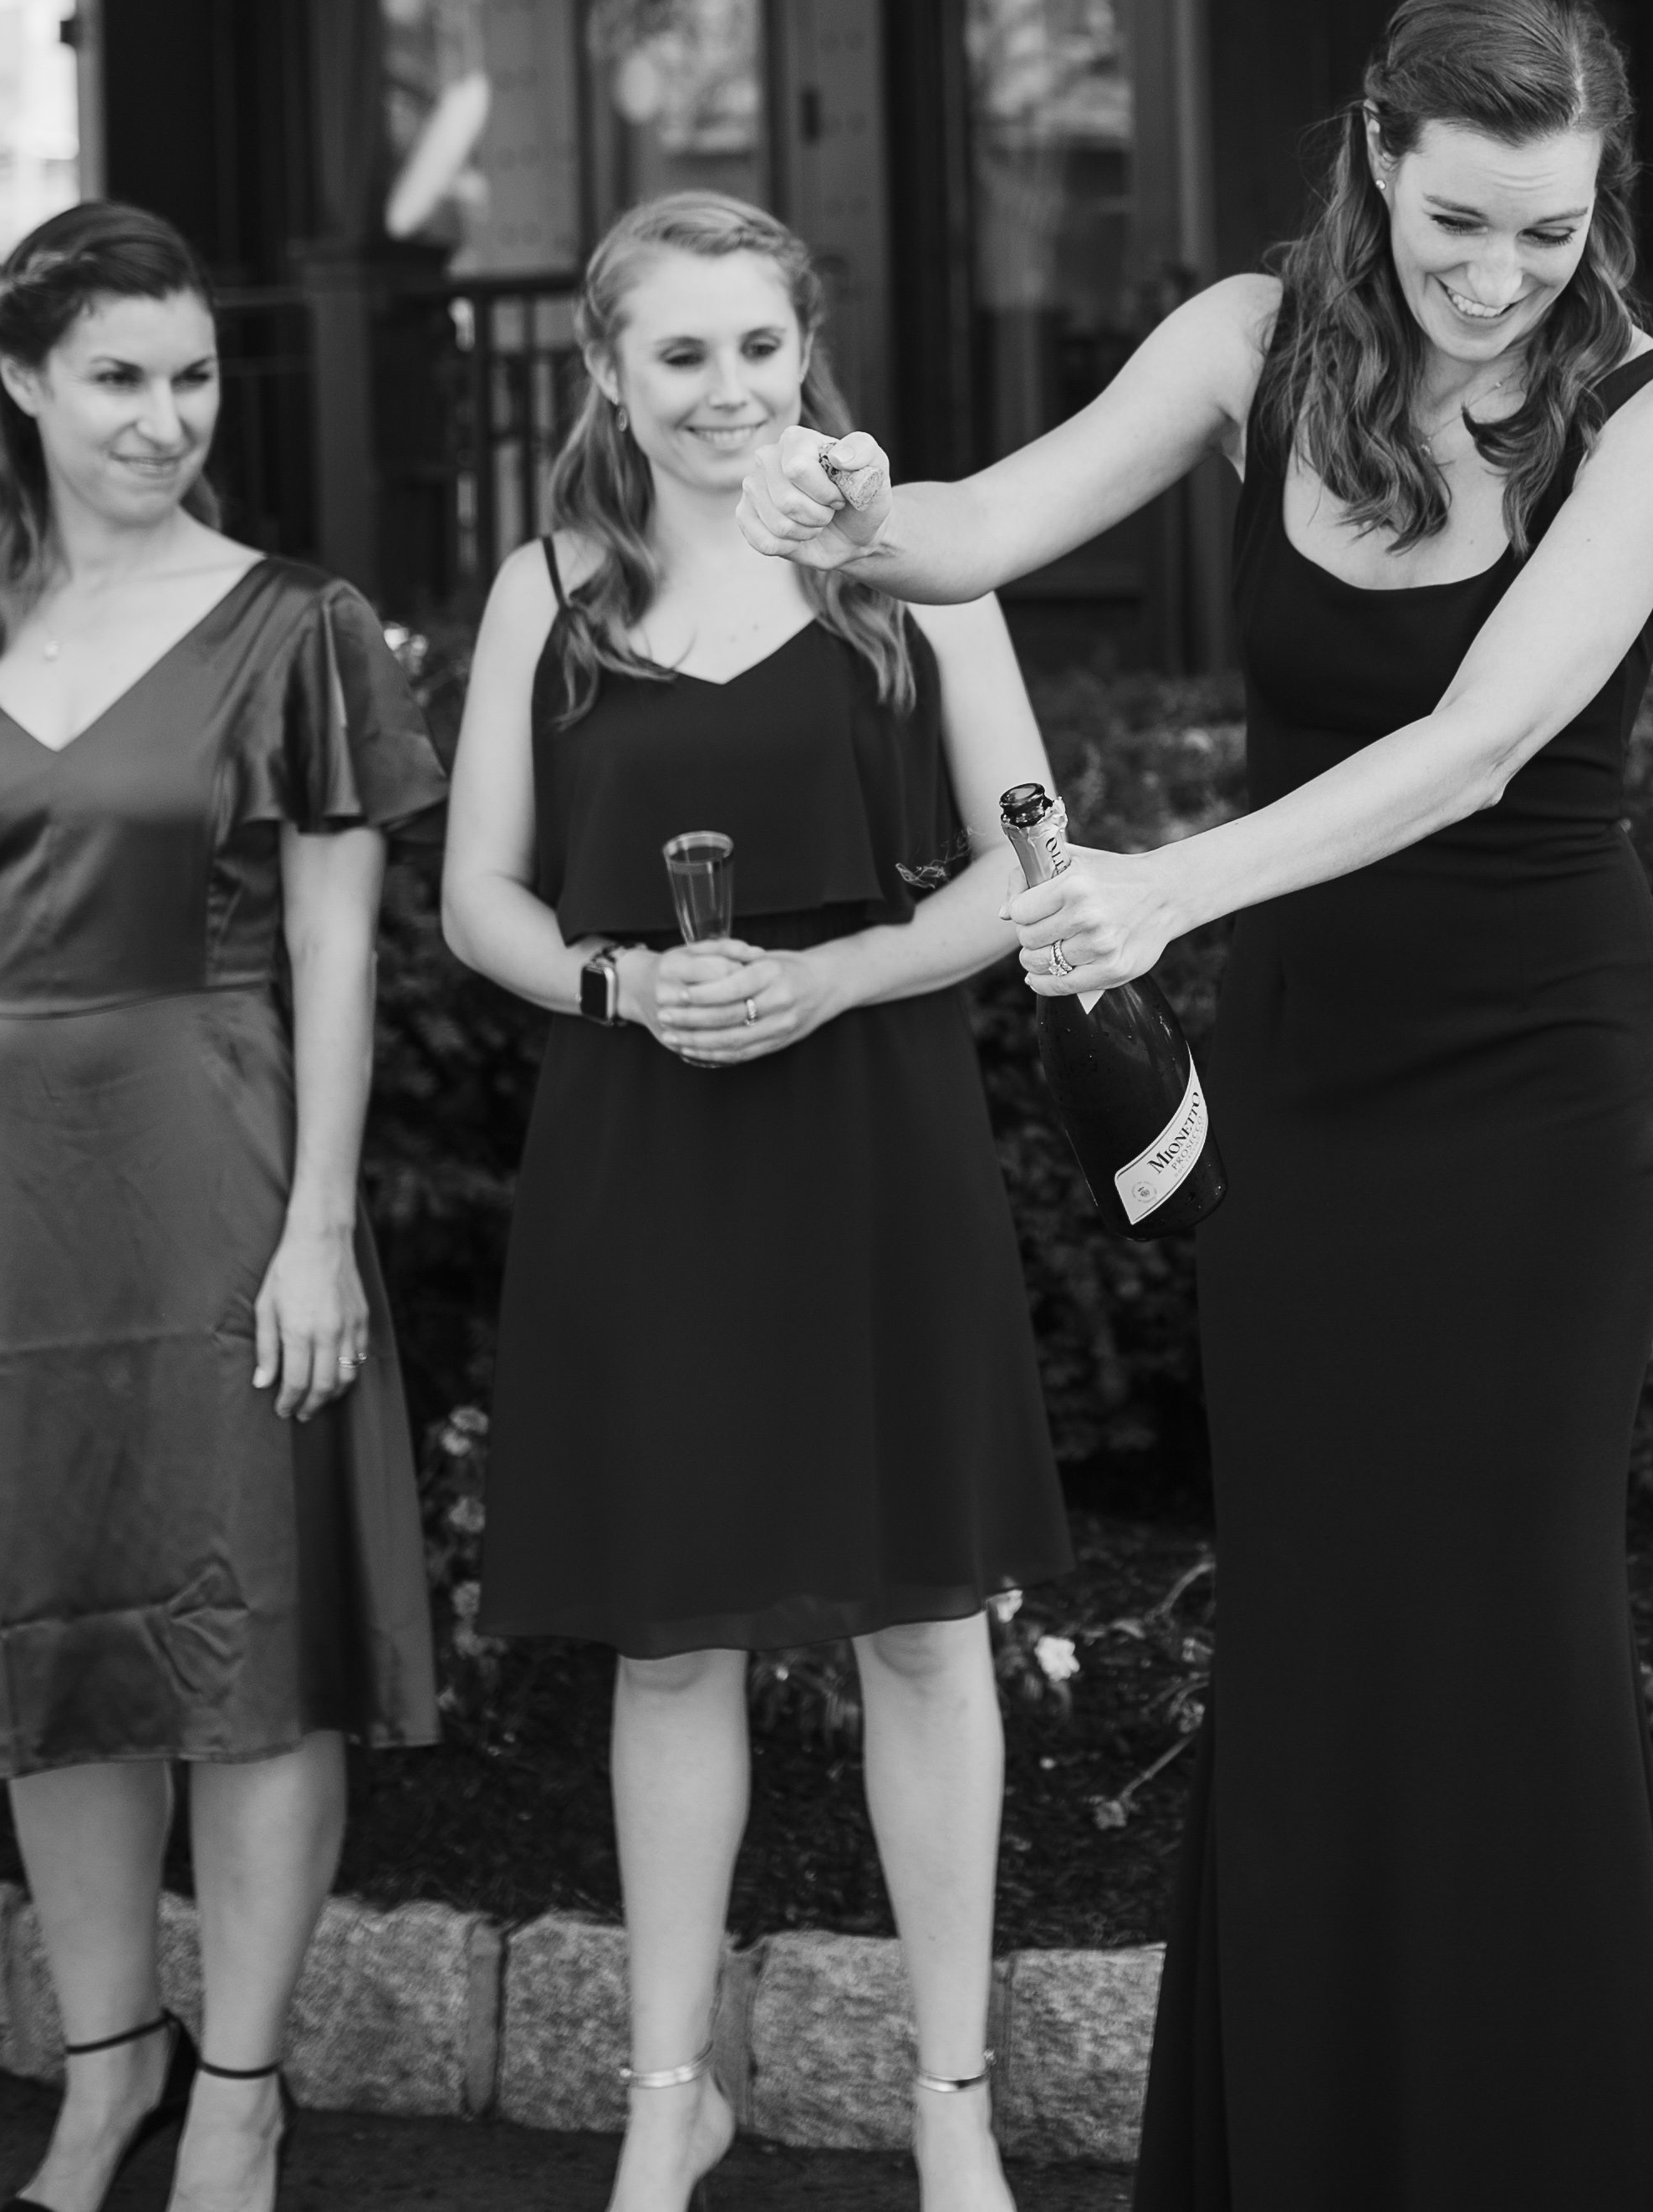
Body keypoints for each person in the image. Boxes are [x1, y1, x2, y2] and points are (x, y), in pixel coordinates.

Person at [738, 0, 1653, 2211]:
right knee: (1308, 1617)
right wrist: (847, 499)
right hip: (1306, 1081)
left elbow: (1480, 743)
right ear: (1376, 155)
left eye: (1549, 231)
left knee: (1514, 1622)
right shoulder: (1244, 340)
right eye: (1456, 220)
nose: (1496, 279)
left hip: (1539, 1094)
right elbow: (970, 531)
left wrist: (1169, 885)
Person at [0, 201, 441, 2212]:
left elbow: (338, 949)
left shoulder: (295, 625)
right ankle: (107, 2069)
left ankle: (241, 2094)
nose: (162, 418)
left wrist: (318, 1228)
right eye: (118, 378)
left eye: (191, 377)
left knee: (247, 1644)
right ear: (23, 381)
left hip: (220, 1171)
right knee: (47, 1640)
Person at [439, 191, 1070, 2212]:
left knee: (923, 1629)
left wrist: (840, 974)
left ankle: (950, 2104)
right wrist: (619, 985)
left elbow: (1031, 864)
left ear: (810, 347)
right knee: (667, 1646)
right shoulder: (547, 589)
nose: (728, 390)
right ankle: (668, 2099)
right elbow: (477, 899)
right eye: (682, 352)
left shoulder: (910, 564)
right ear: (607, 370)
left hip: (875, 1128)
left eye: (760, 346)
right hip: (645, 1143)